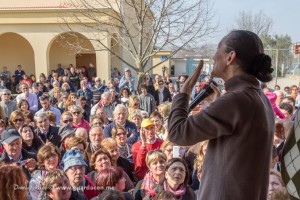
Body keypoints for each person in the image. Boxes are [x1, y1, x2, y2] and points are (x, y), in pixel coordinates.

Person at [168, 30, 275, 199]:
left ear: (230, 57)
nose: (214, 55)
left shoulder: (236, 100)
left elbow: (177, 133)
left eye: (218, 48)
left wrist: (184, 93)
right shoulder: (260, 98)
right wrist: (217, 103)